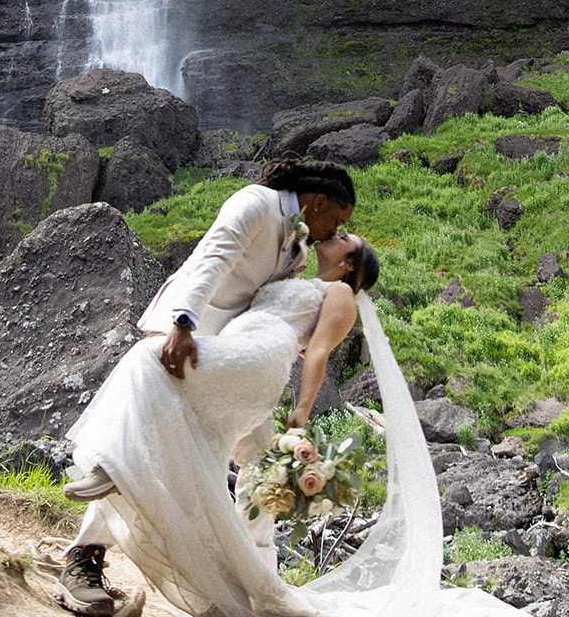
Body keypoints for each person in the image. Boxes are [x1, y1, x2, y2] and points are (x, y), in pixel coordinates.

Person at [57, 234, 514, 617]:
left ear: (349, 262)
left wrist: (301, 412)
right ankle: (238, 577)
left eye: (343, 238)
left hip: (254, 364)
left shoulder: (337, 295)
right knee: (242, 472)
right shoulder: (293, 271)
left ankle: (114, 538)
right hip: (235, 359)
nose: (333, 235)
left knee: (162, 393)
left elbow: (316, 352)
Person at [55, 159, 356, 615]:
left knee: (250, 466)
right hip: (190, 343)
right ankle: (85, 556)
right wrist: (183, 322)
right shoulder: (255, 203)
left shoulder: (296, 254)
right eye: (336, 221)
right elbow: (213, 258)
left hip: (232, 363)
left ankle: (235, 579)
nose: (332, 232)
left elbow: (273, 313)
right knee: (151, 444)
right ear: (318, 203)